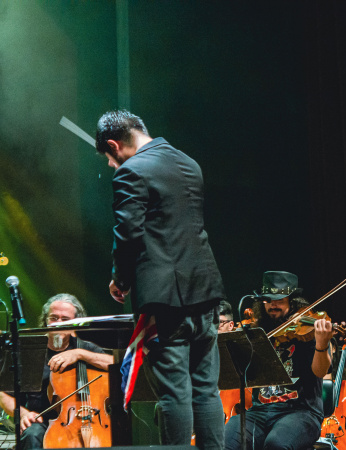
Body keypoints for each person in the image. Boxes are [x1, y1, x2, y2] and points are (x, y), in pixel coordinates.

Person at [95, 110, 226, 450]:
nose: (112, 165)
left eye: (110, 158)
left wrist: (119, 280)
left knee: (175, 393)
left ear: (114, 145)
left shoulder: (131, 172)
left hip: (168, 302)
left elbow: (127, 235)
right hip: (206, 292)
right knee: (206, 390)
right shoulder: (188, 163)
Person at [223, 271, 333, 450]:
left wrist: (321, 344)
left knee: (276, 444)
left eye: (280, 300)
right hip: (260, 411)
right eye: (268, 300)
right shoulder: (258, 332)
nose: (273, 305)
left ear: (292, 301)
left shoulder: (309, 330)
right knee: (226, 441)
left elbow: (320, 372)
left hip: (301, 412)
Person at [0, 294, 113, 449]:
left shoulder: (86, 348)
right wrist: (23, 413)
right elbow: (3, 392)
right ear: (46, 320)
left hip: (88, 419)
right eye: (54, 318)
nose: (58, 323)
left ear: (75, 323)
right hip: (41, 421)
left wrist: (80, 354)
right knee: (32, 434)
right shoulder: (28, 350)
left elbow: (116, 365)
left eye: (65, 319)